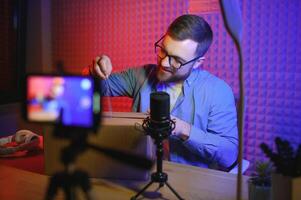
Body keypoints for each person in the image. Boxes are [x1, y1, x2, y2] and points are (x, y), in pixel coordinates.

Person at [83, 14, 238, 171]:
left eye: (177, 60)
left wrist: (182, 129)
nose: (164, 62)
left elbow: (229, 155)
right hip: (140, 174)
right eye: (163, 50)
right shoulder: (141, 75)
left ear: (198, 62)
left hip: (190, 182)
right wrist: (95, 70)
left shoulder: (218, 91)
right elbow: (93, 88)